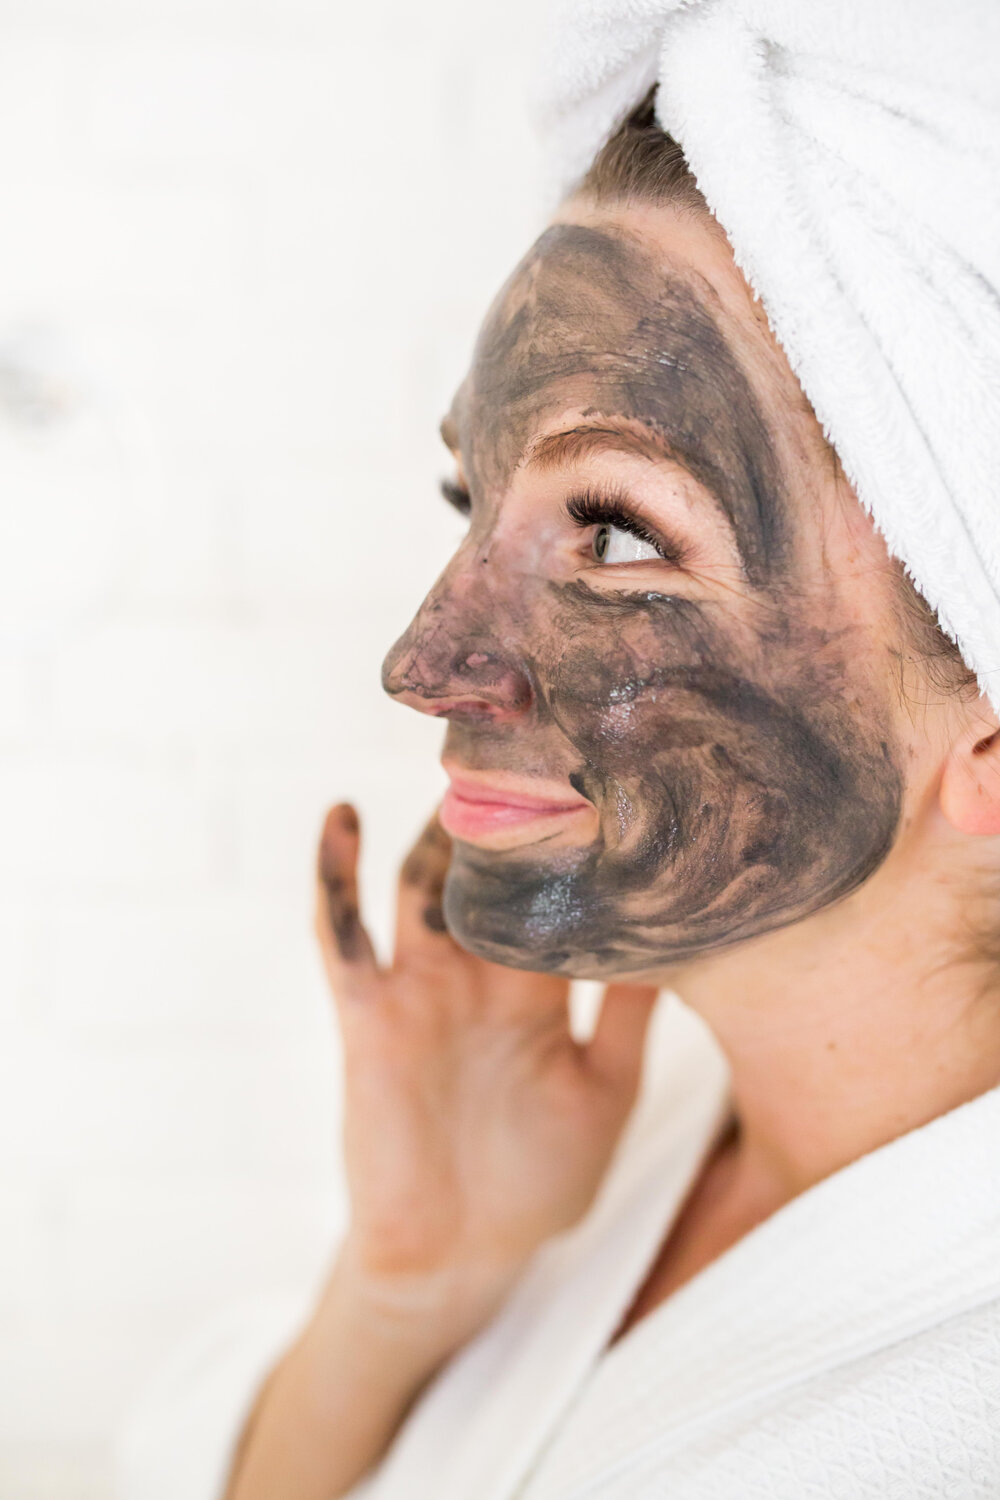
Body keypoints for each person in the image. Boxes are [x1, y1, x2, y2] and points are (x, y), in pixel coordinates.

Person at [119, 14, 1000, 1500]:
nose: (422, 661)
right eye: (470, 500)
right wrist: (406, 1288)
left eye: (616, 535)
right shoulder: (627, 1143)